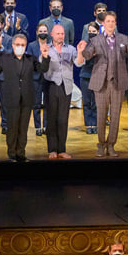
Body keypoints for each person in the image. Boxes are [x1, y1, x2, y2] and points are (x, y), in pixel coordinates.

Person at [82, 11, 128, 157]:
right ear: (103, 24)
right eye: (108, 21)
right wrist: (82, 51)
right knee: (101, 116)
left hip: (118, 83)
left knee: (115, 116)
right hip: (101, 83)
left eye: (113, 21)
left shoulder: (123, 39)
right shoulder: (96, 40)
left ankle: (111, 145)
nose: (110, 24)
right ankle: (101, 144)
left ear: (115, 23)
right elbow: (88, 54)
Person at [0, 32, 50, 162]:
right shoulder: (4, 58)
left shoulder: (31, 59)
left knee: (23, 128)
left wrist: (45, 56)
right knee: (12, 127)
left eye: (23, 45)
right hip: (11, 98)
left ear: (26, 46)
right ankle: (12, 154)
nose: (20, 47)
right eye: (18, 44)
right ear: (13, 45)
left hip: (27, 99)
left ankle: (21, 153)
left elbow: (43, 69)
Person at [40, 23, 84, 159]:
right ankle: (52, 149)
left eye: (62, 34)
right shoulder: (46, 48)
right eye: (58, 33)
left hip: (66, 86)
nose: (61, 36)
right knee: (51, 118)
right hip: (51, 86)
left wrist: (80, 52)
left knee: (63, 119)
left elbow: (79, 63)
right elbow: (42, 66)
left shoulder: (70, 49)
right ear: (52, 34)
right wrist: (44, 55)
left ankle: (61, 149)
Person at [27, 23, 52, 137]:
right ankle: (38, 127)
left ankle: (46, 126)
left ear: (48, 32)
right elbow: (29, 61)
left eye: (45, 31)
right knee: (36, 104)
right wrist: (40, 59)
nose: (43, 33)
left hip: (48, 77)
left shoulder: (51, 45)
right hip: (35, 78)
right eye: (40, 31)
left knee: (47, 104)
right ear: (37, 33)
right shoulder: (31, 45)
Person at [79, 21, 100, 135]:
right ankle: (88, 125)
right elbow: (81, 60)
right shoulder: (84, 44)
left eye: (94, 31)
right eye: (90, 31)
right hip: (85, 75)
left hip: (98, 76)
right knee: (87, 102)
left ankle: (95, 124)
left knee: (96, 103)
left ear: (98, 32)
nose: (92, 33)